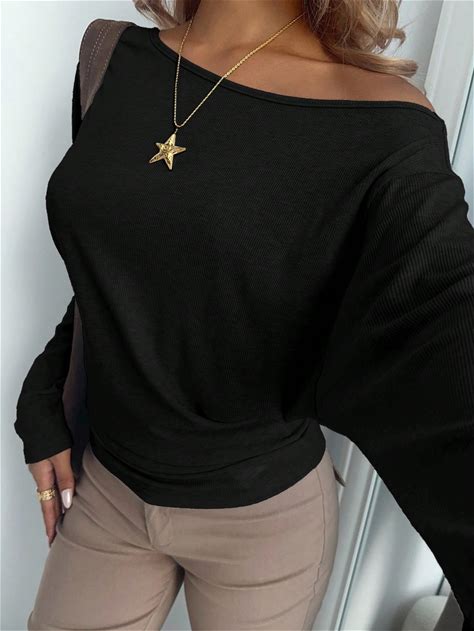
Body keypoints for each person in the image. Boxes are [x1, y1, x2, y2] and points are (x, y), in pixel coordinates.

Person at [14, 1, 474, 630]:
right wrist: (44, 394)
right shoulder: (110, 56)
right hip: (109, 489)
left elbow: (446, 346)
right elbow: (118, 269)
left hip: (263, 521)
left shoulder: (385, 127)